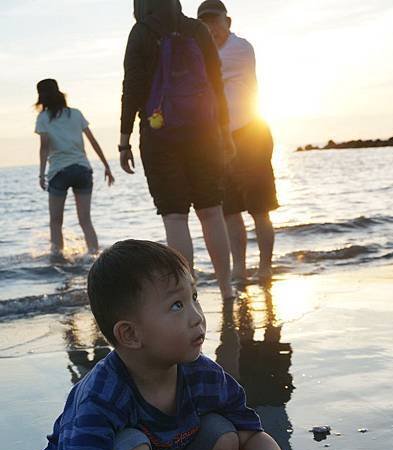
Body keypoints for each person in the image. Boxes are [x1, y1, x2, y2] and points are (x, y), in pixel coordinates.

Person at [39, 239, 334, 450]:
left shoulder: (203, 376)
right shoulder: (102, 394)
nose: (197, 317)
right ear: (130, 334)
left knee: (224, 433)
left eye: (194, 297)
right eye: (177, 306)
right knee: (131, 448)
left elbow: (248, 433)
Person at [119, 0, 235, 300]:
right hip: (205, 132)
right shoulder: (196, 29)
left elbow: (132, 87)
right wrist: (224, 129)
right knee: (212, 212)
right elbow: (216, 81)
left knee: (175, 218)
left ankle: (188, 296)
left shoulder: (141, 32)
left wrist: (124, 138)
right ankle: (227, 289)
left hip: (160, 135)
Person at [197, 1, 279, 283]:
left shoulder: (239, 49)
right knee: (230, 211)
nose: (210, 29)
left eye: (214, 22)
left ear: (227, 22)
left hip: (250, 135)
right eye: (203, 23)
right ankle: (240, 269)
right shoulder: (202, 54)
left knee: (260, 208)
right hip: (220, 143)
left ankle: (266, 267)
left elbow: (207, 75)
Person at [35, 79, 115, 257]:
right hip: (82, 170)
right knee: (85, 220)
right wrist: (107, 166)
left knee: (56, 222)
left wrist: (41, 174)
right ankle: (95, 257)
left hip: (59, 172)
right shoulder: (76, 114)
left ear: (42, 97)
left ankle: (57, 259)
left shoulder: (43, 118)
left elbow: (44, 147)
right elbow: (93, 141)